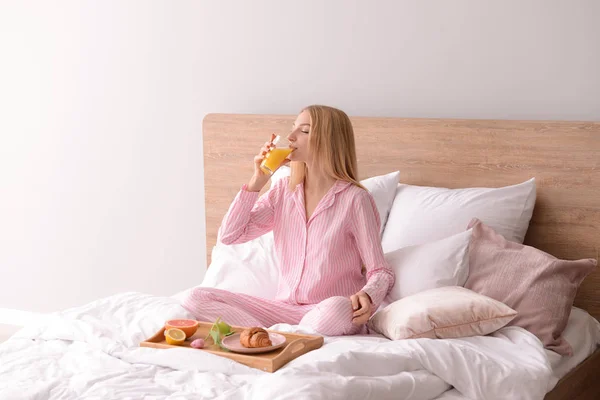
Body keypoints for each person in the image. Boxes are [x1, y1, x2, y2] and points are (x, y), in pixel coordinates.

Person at [182, 105, 395, 336]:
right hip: (282, 310)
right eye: (293, 129)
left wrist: (369, 295)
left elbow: (380, 270)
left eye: (304, 131)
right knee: (196, 296)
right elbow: (230, 235)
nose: (291, 137)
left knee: (337, 307)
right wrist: (257, 181)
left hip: (327, 311)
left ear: (328, 140)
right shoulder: (283, 191)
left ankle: (281, 337)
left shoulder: (355, 199)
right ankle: (271, 337)